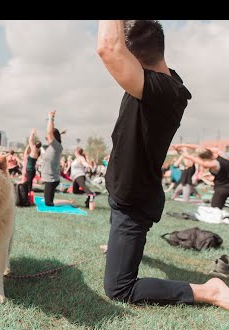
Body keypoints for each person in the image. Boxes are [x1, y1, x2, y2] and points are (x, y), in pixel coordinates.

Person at [98, 19, 229, 309]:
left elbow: (108, 48)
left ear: (133, 58)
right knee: (119, 248)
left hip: (134, 200)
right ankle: (119, 250)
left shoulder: (164, 92)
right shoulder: (162, 82)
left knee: (119, 288)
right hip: (125, 191)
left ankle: (211, 291)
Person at [176, 144, 229, 209]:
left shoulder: (212, 164)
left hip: (222, 188)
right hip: (223, 187)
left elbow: (199, 161)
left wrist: (182, 153)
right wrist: (183, 145)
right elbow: (201, 148)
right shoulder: (222, 154)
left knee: (215, 211)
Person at [40, 110, 63, 206]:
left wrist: (51, 118)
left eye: (47, 137)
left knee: (48, 203)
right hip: (50, 179)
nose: (47, 138)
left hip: (51, 179)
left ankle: (69, 202)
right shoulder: (53, 146)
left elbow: (49, 132)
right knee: (48, 202)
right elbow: (51, 134)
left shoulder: (56, 146)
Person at [23, 128, 42, 193]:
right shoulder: (37, 151)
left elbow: (30, 140)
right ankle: (28, 192)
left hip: (30, 170)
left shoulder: (34, 150)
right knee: (29, 183)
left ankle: (28, 194)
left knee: (28, 184)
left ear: (35, 145)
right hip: (31, 170)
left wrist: (32, 133)